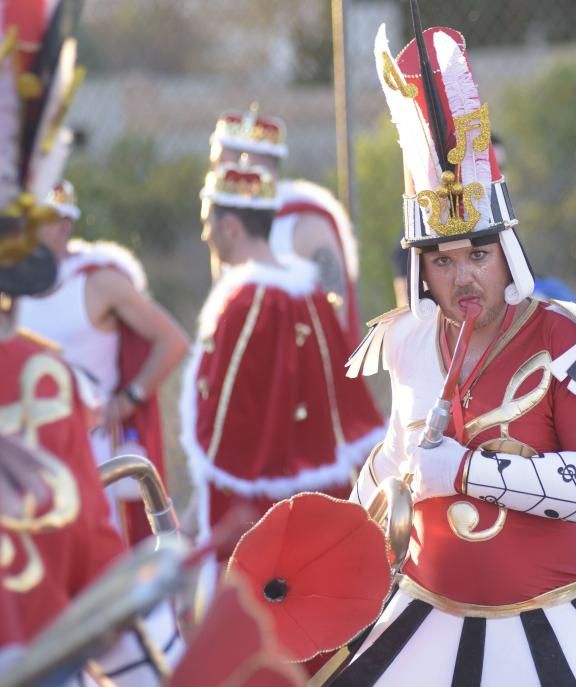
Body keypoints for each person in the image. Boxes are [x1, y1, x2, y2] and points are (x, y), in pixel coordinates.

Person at [324, 19, 576, 686]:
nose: (463, 275)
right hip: (422, 618)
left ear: (508, 253)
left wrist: (466, 470)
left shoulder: (569, 337)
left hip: (555, 624)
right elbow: (389, 458)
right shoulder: (408, 338)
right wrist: (348, 528)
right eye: (442, 260)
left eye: (479, 254)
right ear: (421, 270)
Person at [0, 3, 182, 681]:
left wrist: (129, 394)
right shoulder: (34, 372)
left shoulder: (91, 288)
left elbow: (170, 339)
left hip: (81, 438)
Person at [180, 160, 384, 562]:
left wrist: (189, 529)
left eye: (209, 223)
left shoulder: (244, 304)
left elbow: (224, 436)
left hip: (253, 516)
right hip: (315, 498)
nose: (205, 234)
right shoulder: (308, 293)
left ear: (231, 228)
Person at [18, 179, 190, 545]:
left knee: (100, 553)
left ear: (65, 225)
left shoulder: (98, 282)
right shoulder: (11, 288)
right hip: (26, 446)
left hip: (92, 444)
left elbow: (172, 340)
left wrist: (129, 399)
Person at [209, 105, 363, 345]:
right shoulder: (230, 228)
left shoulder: (307, 225)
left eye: (220, 162)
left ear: (245, 162)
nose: (215, 172)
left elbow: (337, 319)